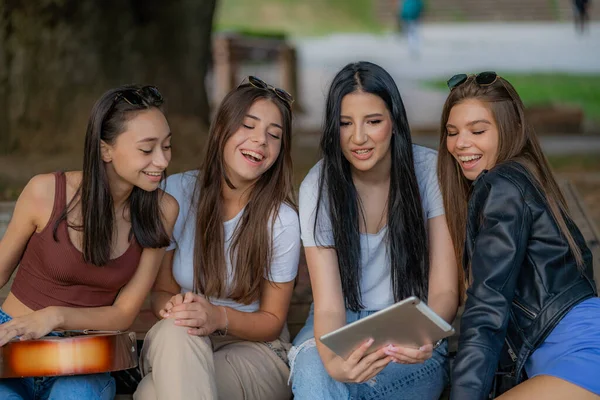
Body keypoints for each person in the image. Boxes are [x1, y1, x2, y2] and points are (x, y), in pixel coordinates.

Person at [288, 61, 458, 400]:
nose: (359, 138)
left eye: (373, 122)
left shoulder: (430, 172)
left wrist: (425, 335)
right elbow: (328, 308)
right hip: (339, 325)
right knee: (315, 374)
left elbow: (444, 290)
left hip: (408, 326)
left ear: (394, 121)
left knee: (364, 388)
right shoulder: (317, 188)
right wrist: (336, 366)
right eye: (345, 123)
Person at [0, 85, 179, 399]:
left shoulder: (162, 210)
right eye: (147, 149)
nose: (162, 161)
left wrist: (55, 316)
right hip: (13, 344)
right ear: (105, 150)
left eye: (167, 146)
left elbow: (124, 314)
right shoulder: (45, 192)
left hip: (84, 356)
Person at [133, 76, 301, 400]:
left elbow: (271, 320)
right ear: (222, 128)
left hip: (258, 351)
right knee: (178, 335)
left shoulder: (281, 220)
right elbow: (162, 292)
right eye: (248, 126)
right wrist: (181, 308)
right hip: (181, 339)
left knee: (151, 394)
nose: (260, 141)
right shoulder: (177, 194)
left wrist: (217, 317)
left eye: (274, 135)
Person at [438, 71, 600, 399]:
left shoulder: (503, 187)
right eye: (452, 132)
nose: (460, 143)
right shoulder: (524, 175)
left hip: (579, 356)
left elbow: (487, 306)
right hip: (563, 354)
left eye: (477, 130)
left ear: (508, 129)